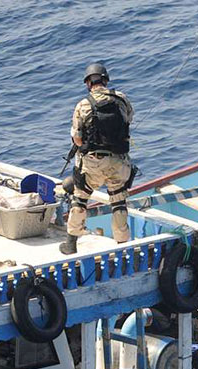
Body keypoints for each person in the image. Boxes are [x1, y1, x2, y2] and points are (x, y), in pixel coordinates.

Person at [61, 62, 134, 255]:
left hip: (92, 162)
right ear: (106, 80)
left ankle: (70, 243)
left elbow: (77, 139)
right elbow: (129, 120)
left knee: (80, 198)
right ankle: (122, 244)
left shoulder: (83, 105)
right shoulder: (122, 99)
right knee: (118, 202)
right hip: (118, 162)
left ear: (88, 83)